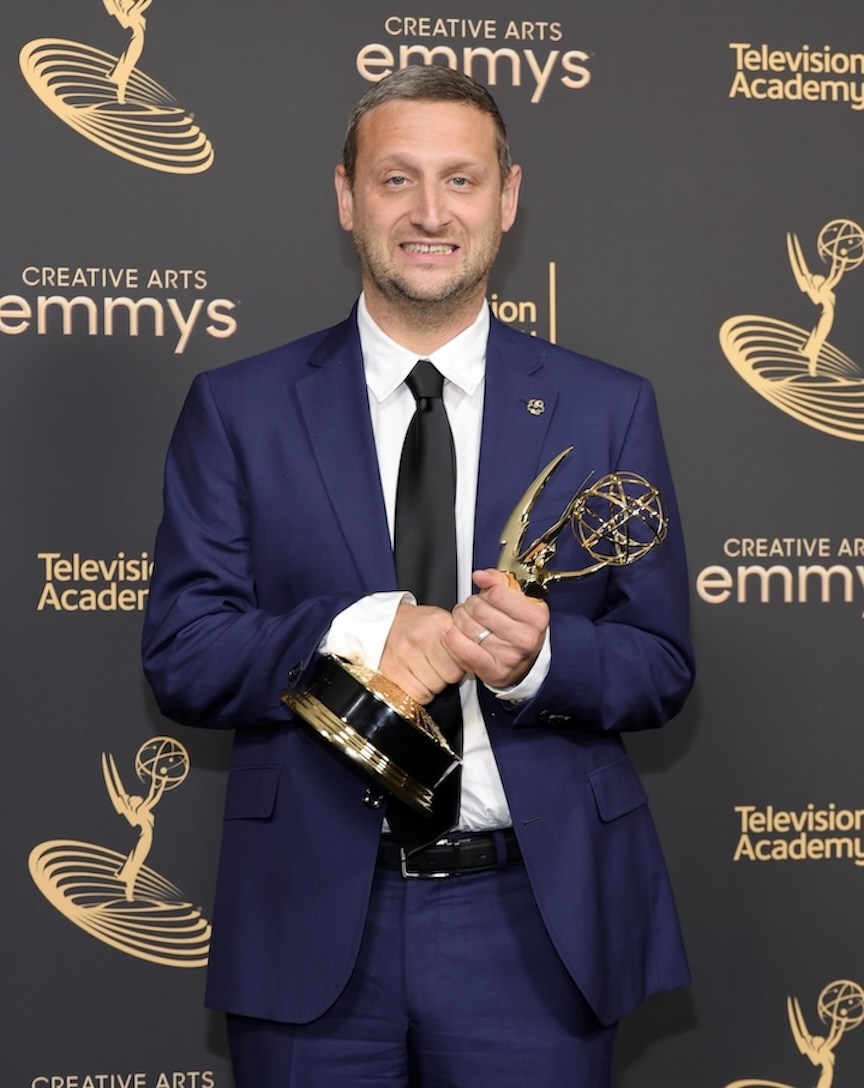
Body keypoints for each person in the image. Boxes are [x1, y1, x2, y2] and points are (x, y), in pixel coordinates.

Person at [142, 65, 695, 1088]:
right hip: (312, 926)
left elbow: (661, 662)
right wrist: (354, 629)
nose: (431, 212)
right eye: (397, 180)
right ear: (348, 197)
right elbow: (182, 652)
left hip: (533, 925)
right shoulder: (239, 407)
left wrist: (542, 658)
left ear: (508, 198)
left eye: (461, 180)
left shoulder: (606, 406)